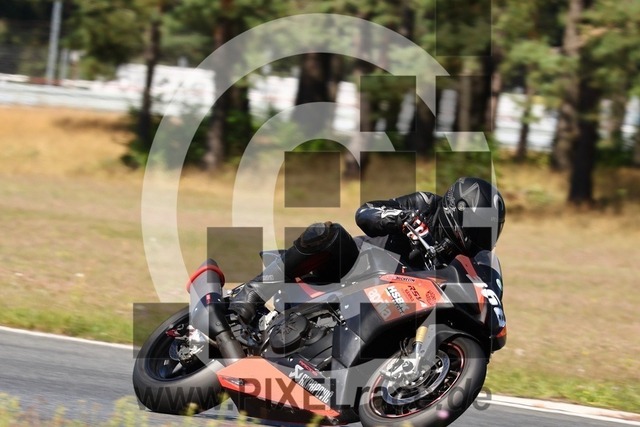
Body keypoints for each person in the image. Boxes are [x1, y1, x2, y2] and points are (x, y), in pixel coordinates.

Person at [229, 177, 506, 324]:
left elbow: (487, 293)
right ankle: (252, 293)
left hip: (400, 304)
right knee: (329, 233)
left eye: (489, 232)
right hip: (357, 269)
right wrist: (399, 218)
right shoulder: (425, 204)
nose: (481, 239)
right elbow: (365, 212)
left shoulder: (475, 260)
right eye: (480, 228)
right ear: (458, 210)